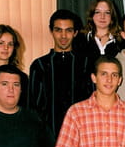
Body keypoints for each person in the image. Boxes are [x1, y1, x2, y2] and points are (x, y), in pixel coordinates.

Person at [28, 9, 92, 137]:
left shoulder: (86, 64)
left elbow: (93, 102)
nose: (63, 36)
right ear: (51, 31)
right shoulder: (39, 65)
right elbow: (32, 107)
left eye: (68, 30)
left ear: (75, 32)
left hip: (81, 136)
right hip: (48, 138)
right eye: (58, 30)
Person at [77, 0, 123, 70]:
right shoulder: (80, 40)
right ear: (92, 15)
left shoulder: (121, 41)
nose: (102, 16)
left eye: (107, 13)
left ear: (112, 16)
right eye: (98, 12)